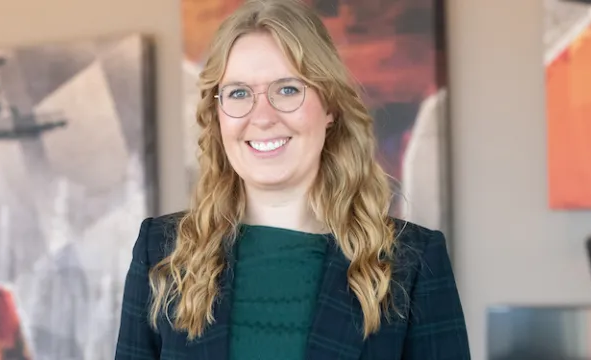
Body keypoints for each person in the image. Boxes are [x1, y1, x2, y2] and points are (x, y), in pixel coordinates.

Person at [113, 0, 468, 359]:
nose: (262, 117)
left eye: (287, 89)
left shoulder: (412, 262)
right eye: (238, 93)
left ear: (329, 107)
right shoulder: (161, 253)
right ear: (218, 116)